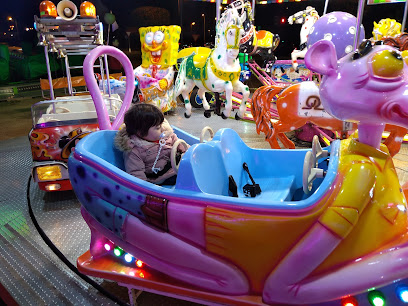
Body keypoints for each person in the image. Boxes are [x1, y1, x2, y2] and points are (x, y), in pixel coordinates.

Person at [115, 103, 188, 185]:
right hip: (164, 177)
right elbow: (136, 174)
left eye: (161, 124)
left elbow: (178, 142)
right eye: (157, 127)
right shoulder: (134, 151)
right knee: (188, 176)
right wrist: (146, 188)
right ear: (140, 132)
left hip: (177, 164)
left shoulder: (165, 135)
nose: (162, 128)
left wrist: (188, 151)